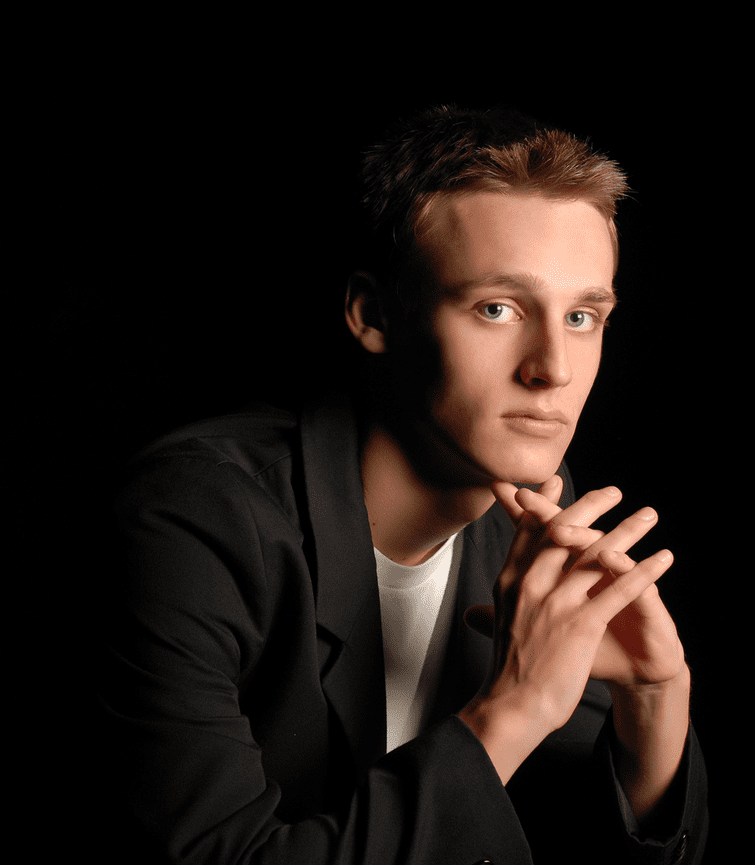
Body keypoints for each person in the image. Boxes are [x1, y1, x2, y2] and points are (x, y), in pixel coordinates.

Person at [99, 106, 708, 864]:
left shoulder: (528, 522)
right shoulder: (194, 519)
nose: (552, 366)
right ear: (372, 313)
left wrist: (652, 703)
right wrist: (512, 710)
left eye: (584, 315)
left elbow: (562, 842)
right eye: (498, 308)